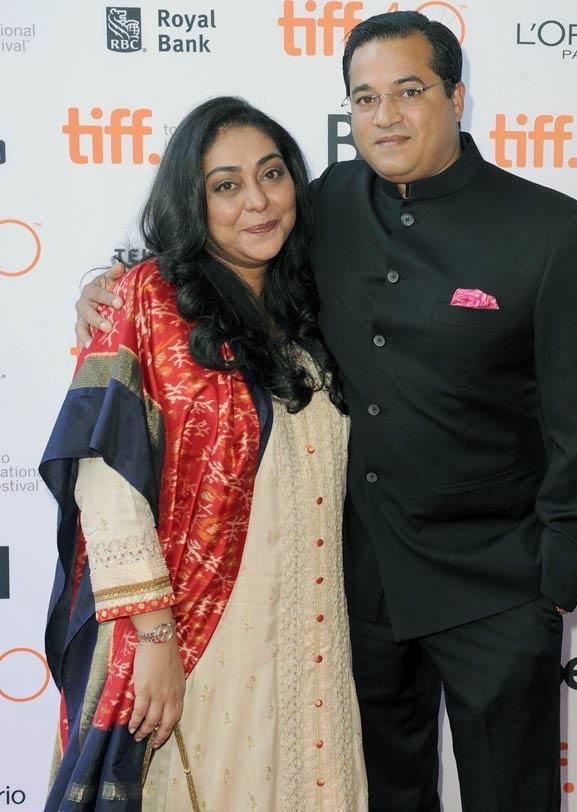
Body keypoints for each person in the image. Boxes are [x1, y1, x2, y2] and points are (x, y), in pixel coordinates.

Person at [74, 11, 577, 812]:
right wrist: (101, 291)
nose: (386, 116)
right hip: (355, 593)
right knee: (382, 797)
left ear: (457, 96)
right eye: (364, 98)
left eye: (409, 91)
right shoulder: (326, 202)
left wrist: (553, 580)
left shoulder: (555, 232)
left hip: (496, 586)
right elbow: (208, 250)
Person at [40, 96, 367, 811]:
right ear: (193, 200)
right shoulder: (149, 302)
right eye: (226, 185)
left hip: (315, 627)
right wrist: (155, 640)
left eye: (273, 174)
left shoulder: (313, 299)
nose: (257, 201)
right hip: (201, 637)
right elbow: (108, 487)